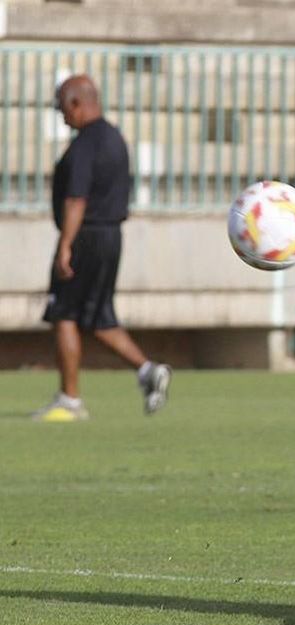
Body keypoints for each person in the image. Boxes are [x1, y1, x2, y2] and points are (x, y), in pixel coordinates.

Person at [32, 75, 171, 422]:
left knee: (63, 313)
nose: (63, 117)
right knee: (97, 317)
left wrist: (65, 245)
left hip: (85, 237)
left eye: (63, 109)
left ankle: (70, 399)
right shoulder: (113, 138)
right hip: (110, 237)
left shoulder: (84, 145)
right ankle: (149, 371)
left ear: (77, 103)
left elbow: (77, 198)